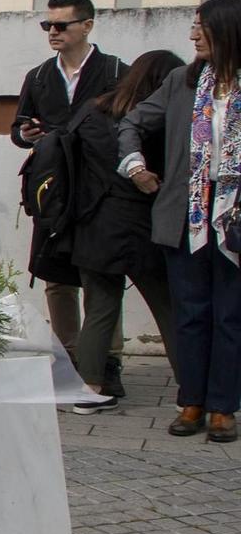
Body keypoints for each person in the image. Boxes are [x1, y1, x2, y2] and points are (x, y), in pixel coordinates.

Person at [120, 0, 241, 444]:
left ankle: (223, 407)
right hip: (184, 214)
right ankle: (191, 401)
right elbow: (131, 123)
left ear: (226, 30)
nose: (192, 35)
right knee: (190, 314)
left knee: (231, 316)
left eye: (200, 27)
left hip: (234, 218)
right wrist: (135, 167)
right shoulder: (181, 81)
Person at [13, 0, 127, 369]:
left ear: (87, 25)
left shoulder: (114, 72)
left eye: (61, 25)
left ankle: (106, 360)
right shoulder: (40, 76)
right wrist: (25, 133)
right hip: (54, 188)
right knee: (54, 274)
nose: (53, 32)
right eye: (48, 25)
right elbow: (18, 127)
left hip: (100, 189)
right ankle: (68, 356)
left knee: (102, 274)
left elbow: (131, 127)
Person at [69, 51, 183, 409]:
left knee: (100, 308)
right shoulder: (159, 120)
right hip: (143, 225)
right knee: (169, 309)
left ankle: (88, 391)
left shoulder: (91, 110)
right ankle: (190, 392)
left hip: (94, 224)